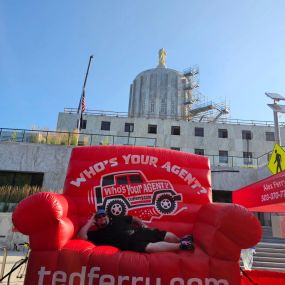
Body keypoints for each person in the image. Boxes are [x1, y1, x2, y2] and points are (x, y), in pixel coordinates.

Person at [77, 209, 194, 253]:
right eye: (99, 218)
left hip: (140, 231)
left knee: (167, 236)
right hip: (130, 244)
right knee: (149, 248)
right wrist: (90, 221)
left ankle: (180, 240)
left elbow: (133, 218)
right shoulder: (97, 235)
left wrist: (142, 224)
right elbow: (81, 237)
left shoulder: (117, 219)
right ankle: (181, 246)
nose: (102, 219)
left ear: (107, 216)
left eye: (103, 216)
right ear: (96, 222)